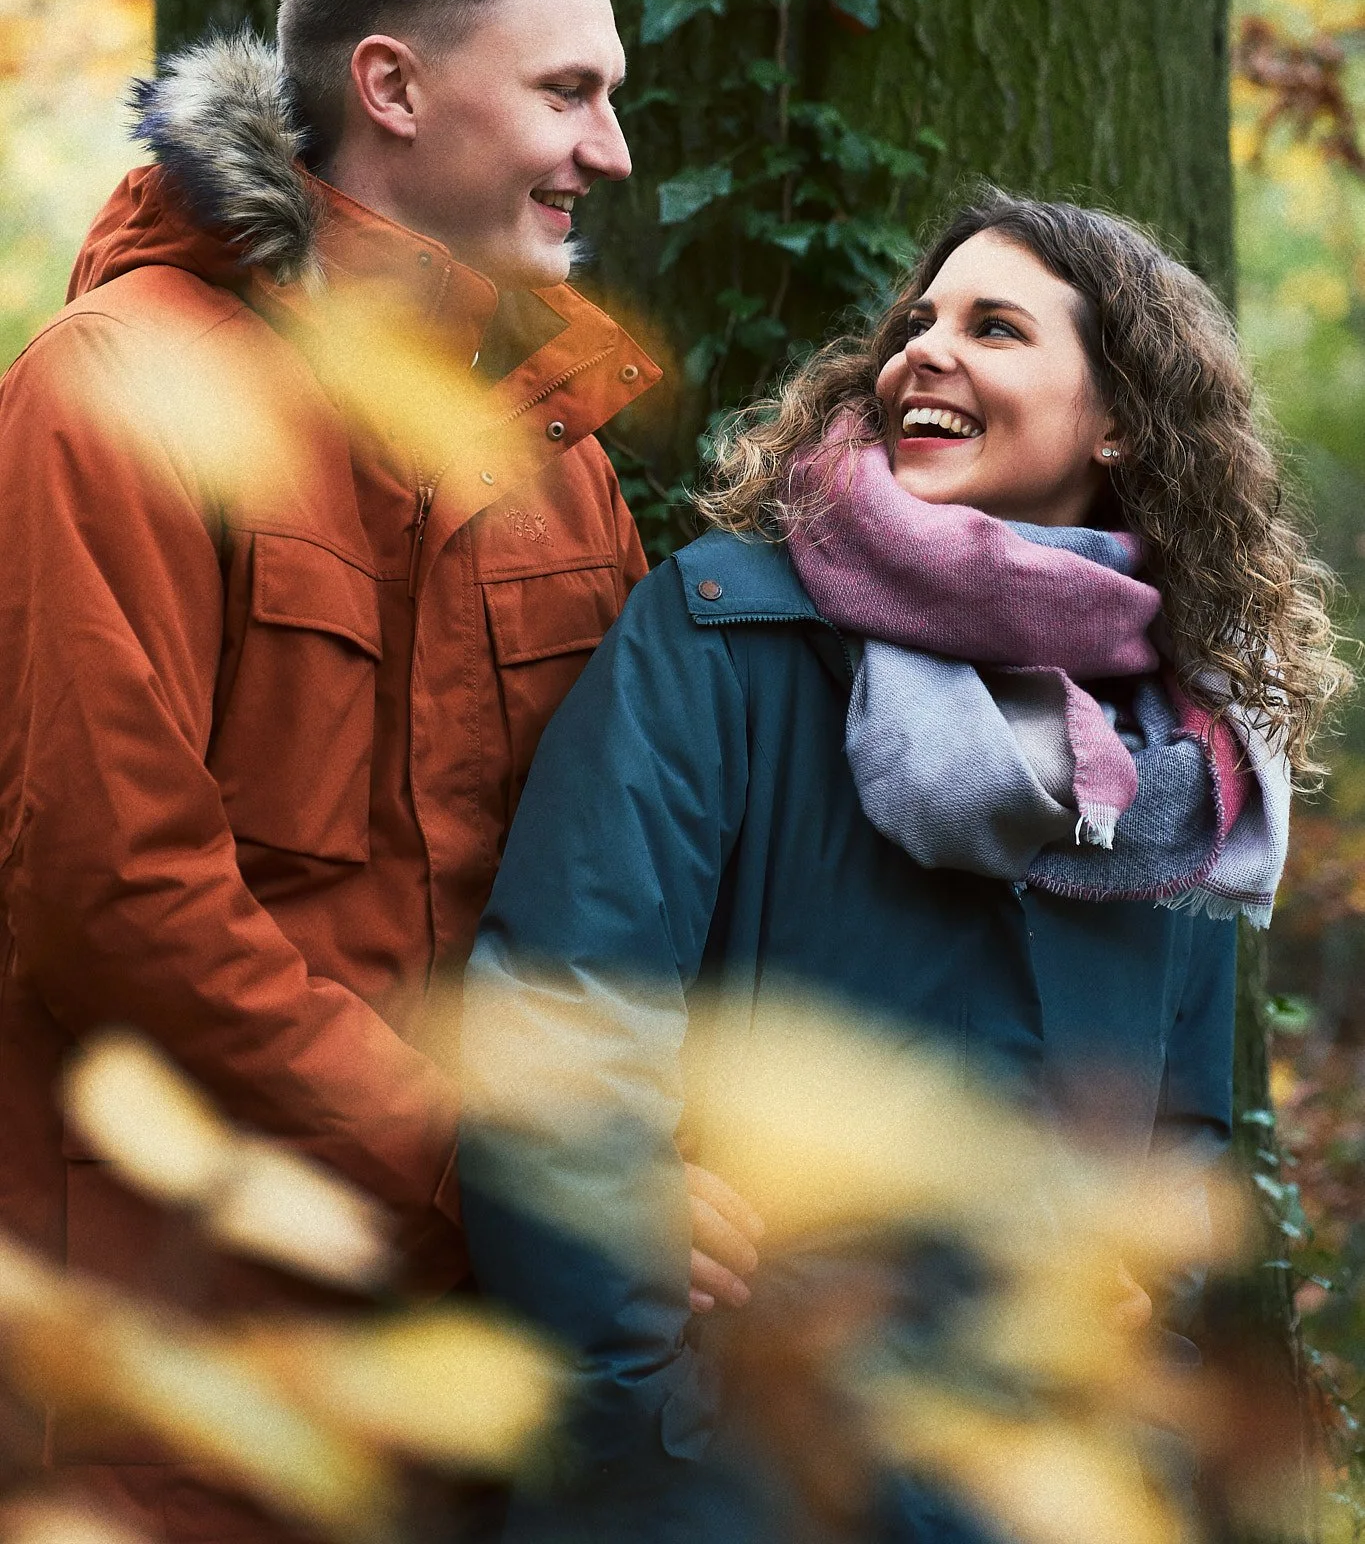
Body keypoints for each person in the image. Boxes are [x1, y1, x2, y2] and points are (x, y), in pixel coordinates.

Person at [461, 189, 1347, 1541]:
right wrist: (659, 1442)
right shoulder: (722, 640)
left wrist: (1133, 1306)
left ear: (1117, 419)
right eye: (916, 322)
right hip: (735, 1478)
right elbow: (556, 1038)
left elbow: (1175, 1135)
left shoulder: (1178, 752)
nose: (922, 351)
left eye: (995, 327)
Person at [0, 0, 682, 1543]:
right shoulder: (116, 394)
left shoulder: (555, 455)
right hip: (182, 1355)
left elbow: (634, 876)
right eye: (570, 91)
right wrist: (483, 1169)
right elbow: (115, 892)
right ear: (391, 83)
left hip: (481, 1363)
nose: (612, 148)